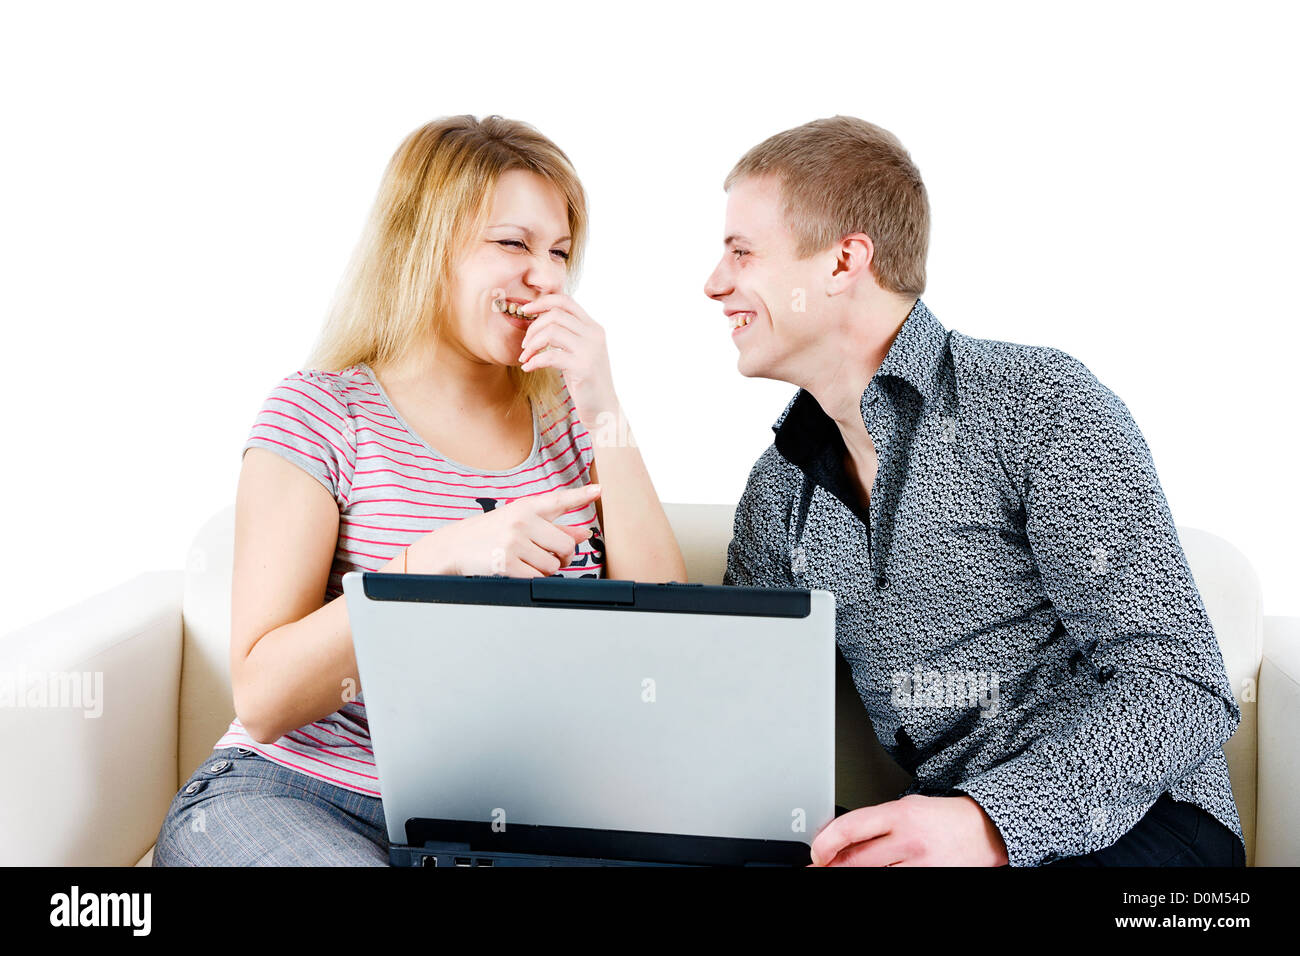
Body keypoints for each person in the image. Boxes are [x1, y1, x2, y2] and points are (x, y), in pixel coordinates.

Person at [705, 115, 1246, 867]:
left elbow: (1182, 686)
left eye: (741, 252)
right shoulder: (778, 490)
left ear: (843, 261)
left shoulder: (1037, 402)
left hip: (1140, 827)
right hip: (949, 841)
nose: (714, 283)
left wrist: (989, 822)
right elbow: (740, 706)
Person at [153, 114, 686, 866]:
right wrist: (433, 563)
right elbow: (265, 698)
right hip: (296, 793)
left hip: (508, 823)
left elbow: (672, 643)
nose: (547, 277)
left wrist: (602, 403)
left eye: (560, 251)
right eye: (513, 244)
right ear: (423, 246)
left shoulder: (574, 425)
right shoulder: (320, 410)